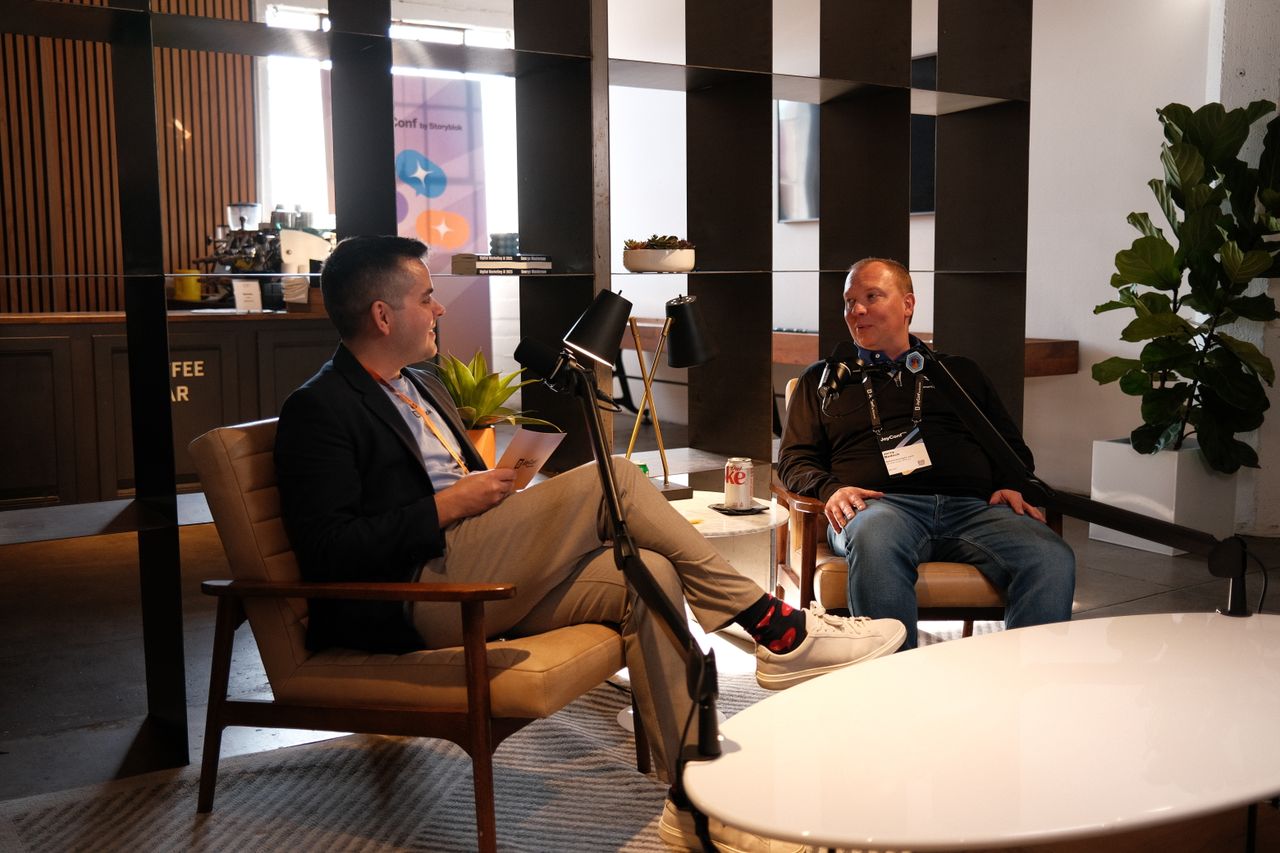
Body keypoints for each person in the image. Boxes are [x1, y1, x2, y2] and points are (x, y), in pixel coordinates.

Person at [275, 236, 906, 853]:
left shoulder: (422, 386)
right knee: (619, 479)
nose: (439, 309)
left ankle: (692, 800)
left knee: (650, 570)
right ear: (382, 315)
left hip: (474, 563)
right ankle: (775, 628)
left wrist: (489, 492)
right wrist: (448, 504)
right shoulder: (322, 407)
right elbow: (331, 548)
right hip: (418, 594)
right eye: (427, 297)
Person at [778, 258, 1075, 650]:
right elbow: (794, 459)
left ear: (907, 305)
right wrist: (830, 488)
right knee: (876, 537)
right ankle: (897, 685)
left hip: (972, 509)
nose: (857, 311)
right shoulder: (823, 379)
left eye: (872, 297)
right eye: (850, 302)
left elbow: (1011, 449)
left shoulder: (957, 373)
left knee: (1049, 556)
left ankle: (1022, 682)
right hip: (879, 509)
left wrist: (1009, 482)